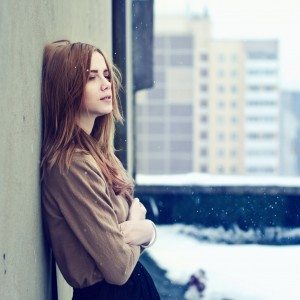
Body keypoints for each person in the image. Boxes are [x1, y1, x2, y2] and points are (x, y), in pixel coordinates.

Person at [40, 40, 160, 300]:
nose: (106, 84)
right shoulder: (70, 165)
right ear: (68, 89)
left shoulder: (101, 156)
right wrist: (141, 225)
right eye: (91, 77)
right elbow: (118, 267)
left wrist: (141, 232)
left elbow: (120, 251)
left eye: (106, 75)